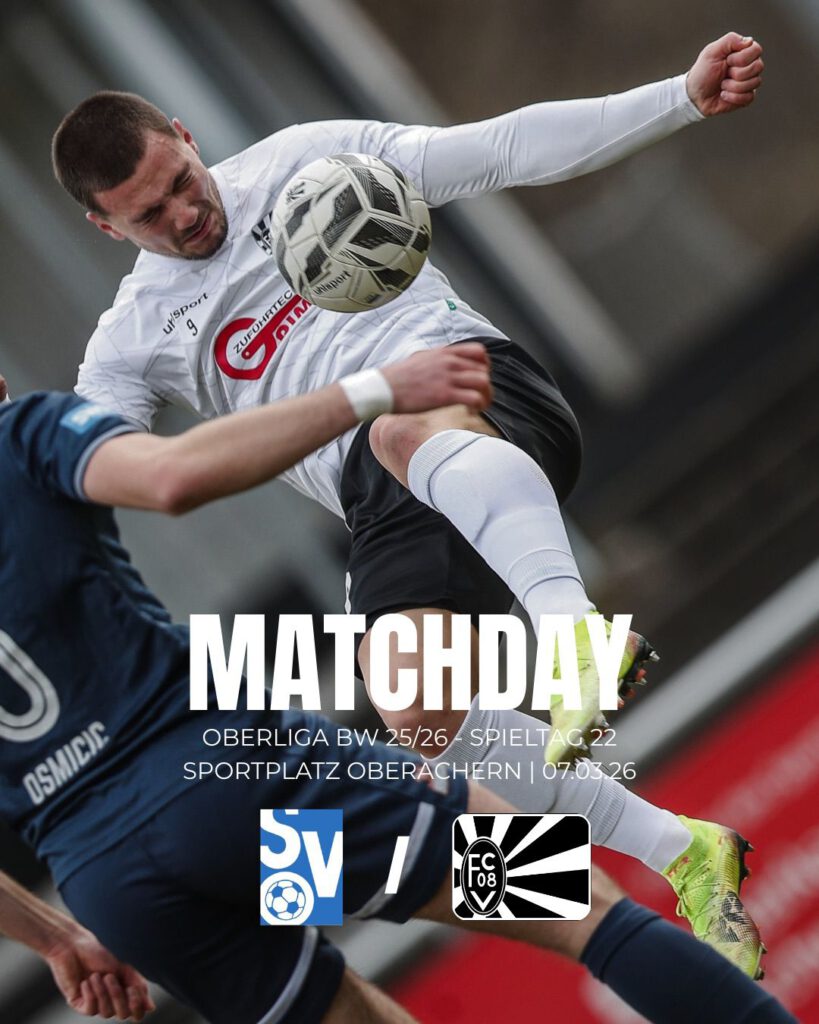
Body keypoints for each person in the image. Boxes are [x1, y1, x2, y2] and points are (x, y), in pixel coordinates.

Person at [50, 31, 767, 971]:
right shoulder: (132, 338)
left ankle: (575, 637)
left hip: (473, 389)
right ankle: (676, 852)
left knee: (394, 429)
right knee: (415, 711)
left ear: (187, 136)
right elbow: (86, 465)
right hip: (382, 501)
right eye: (150, 213)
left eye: (183, 179)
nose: (186, 213)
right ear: (106, 229)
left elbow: (497, 148)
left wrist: (677, 97)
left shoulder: (304, 162)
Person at [0, 369, 792, 1024]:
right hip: (244, 794)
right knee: (575, 906)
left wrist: (55, 939)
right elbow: (170, 477)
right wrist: (370, 390)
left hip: (119, 885)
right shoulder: (23, 435)